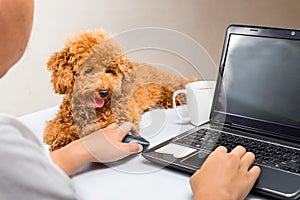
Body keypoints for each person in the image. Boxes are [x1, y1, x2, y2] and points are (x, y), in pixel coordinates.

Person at [0, 0, 261, 199]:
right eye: (90, 71)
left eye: (110, 71)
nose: (102, 85)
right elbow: (54, 130)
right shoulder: (9, 151)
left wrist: (81, 150)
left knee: (178, 89)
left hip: (152, 86)